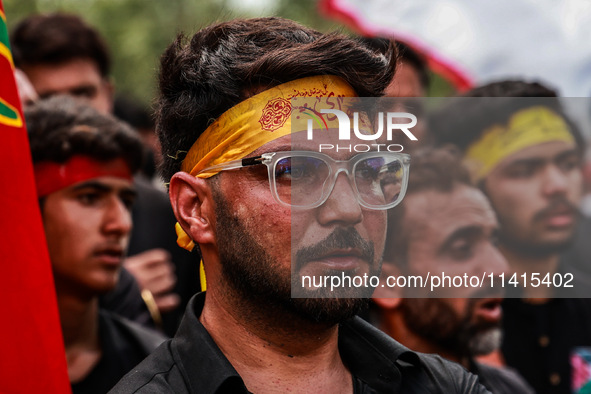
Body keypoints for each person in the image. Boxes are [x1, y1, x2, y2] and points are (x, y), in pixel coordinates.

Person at [111, 17, 489, 393]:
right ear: (195, 208)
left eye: (368, 170)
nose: (348, 209)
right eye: (295, 170)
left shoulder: (444, 386)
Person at [11, 13, 190, 333]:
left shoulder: (169, 214)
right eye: (50, 99)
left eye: (82, 94)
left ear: (107, 93)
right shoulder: (10, 212)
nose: (72, 112)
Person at [432, 80, 591, 394]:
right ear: (470, 188)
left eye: (568, 163)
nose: (557, 185)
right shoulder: (439, 319)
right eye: (524, 170)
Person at [26, 96, 166, 393]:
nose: (121, 224)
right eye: (90, 197)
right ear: (27, 211)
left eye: (126, 201)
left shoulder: (159, 367)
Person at [372, 147, 534, 393]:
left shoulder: (509, 386)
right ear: (386, 283)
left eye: (493, 242)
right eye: (462, 249)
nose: (500, 269)